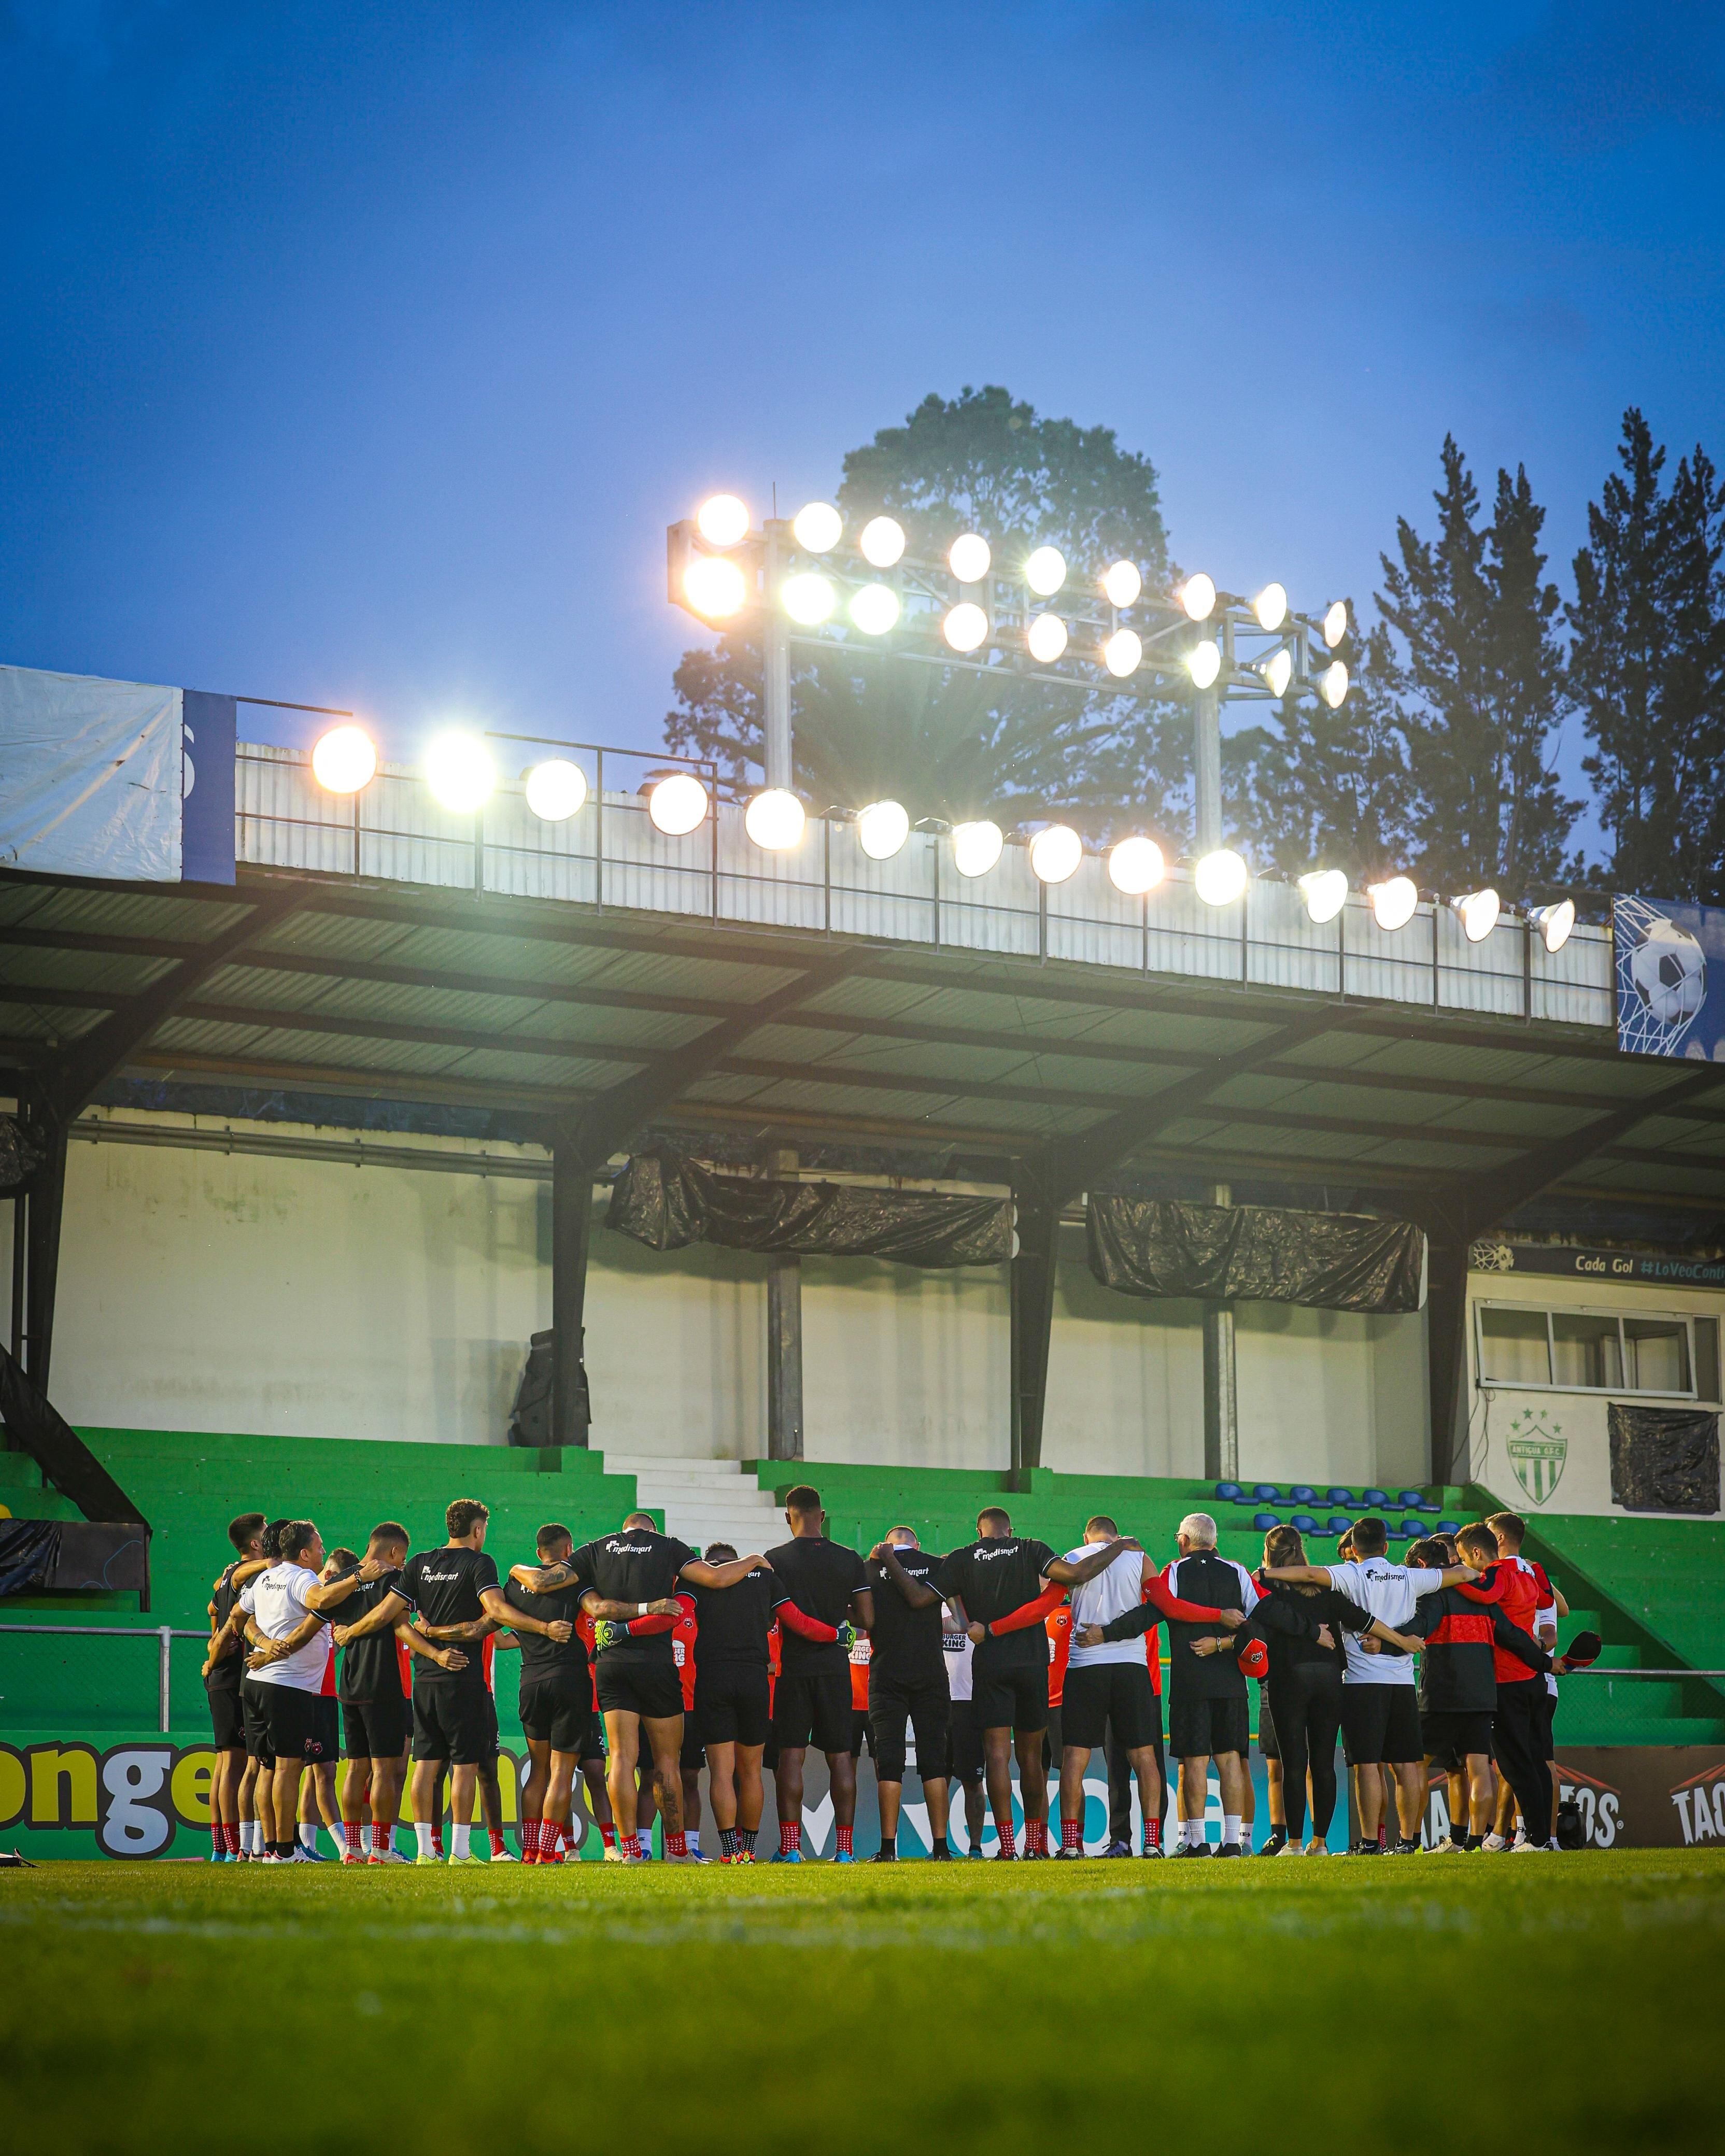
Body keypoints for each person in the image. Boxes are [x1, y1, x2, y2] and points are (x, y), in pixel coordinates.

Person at [328, 1498, 573, 1864]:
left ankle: (426, 1851)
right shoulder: (479, 1563)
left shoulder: (421, 1563)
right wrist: (542, 1627)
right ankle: (459, 1850)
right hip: (462, 1675)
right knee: (464, 1765)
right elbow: (498, 1610)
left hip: (425, 1679)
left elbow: (396, 1621)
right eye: (484, 1530)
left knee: (425, 1766)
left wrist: (427, 1650)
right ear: (477, 1530)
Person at [513, 1508, 761, 1863]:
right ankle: (677, 1850)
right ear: (652, 1531)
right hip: (656, 1666)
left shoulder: (596, 1549)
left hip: (611, 1665)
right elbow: (717, 1578)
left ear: (624, 1531)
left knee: (623, 1759)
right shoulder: (667, 1547)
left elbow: (544, 1583)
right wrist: (754, 1559)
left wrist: (514, 1569)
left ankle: (630, 1850)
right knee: (666, 1763)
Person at [1262, 1514, 1477, 1854]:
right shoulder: (1409, 1576)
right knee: (1406, 1764)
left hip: (1362, 1682)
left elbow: (1307, 1574)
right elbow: (1465, 1573)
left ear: (1354, 1548)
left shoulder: (1350, 1573)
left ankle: (1369, 1842)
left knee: (1367, 1765)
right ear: (1387, 1546)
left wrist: (1266, 1573)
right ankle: (1408, 1842)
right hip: (1403, 1682)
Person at [938, 1507, 1140, 1860]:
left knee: (997, 1756)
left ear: (979, 1530)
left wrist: (965, 1618)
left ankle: (1006, 1848)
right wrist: (1118, 1546)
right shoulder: (1030, 1548)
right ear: (1010, 1529)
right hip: (1032, 1664)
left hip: (990, 1663)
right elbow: (1076, 1574)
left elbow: (939, 1592)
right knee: (1032, 1758)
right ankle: (1035, 1845)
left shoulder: (963, 1557)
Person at [1038, 1516, 1237, 1857]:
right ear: (1118, 1535)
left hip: (1085, 1665)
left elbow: (1043, 1601)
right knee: (1145, 1758)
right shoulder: (1139, 1557)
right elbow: (1166, 1606)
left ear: (1086, 1535)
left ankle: (1071, 1844)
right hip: (1132, 1665)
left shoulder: (1072, 1557)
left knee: (1075, 1758)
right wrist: (1219, 1616)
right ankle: (1151, 1842)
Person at [1401, 1529, 1550, 1851]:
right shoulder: (1484, 1598)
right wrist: (1546, 1663)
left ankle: (1409, 1842)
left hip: (1441, 1695)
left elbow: (1420, 1627)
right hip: (1483, 1694)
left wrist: (1384, 1636)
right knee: (1479, 1767)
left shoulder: (1434, 1596)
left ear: (1424, 1567)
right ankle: (1472, 1843)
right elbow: (1514, 1636)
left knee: (1414, 1765)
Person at [763, 1486, 872, 1863]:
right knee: (841, 1757)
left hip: (794, 1669)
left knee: (789, 1758)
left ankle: (791, 1849)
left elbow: (771, 1618)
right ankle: (845, 1851)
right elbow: (867, 1619)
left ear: (787, 1516)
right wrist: (839, 1617)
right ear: (822, 1516)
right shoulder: (848, 1559)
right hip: (834, 1669)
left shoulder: (774, 1560)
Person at [503, 1523, 598, 1866]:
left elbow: (496, 1627)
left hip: (530, 1681)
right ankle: (546, 1850)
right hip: (569, 1679)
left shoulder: (516, 1582)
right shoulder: (576, 1579)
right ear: (569, 1549)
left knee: (538, 1771)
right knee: (561, 1773)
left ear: (537, 1551)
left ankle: (529, 1850)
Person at [864, 1527, 953, 1861]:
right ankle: (941, 1848)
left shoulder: (870, 1567)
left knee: (889, 1761)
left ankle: (888, 1849)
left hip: (887, 1674)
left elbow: (862, 1620)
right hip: (930, 1673)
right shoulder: (935, 1565)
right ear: (917, 1544)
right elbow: (956, 1617)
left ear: (888, 1542)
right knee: (934, 1759)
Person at [687, 1540, 775, 1863]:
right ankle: (748, 1852)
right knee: (752, 1771)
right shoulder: (762, 1577)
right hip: (754, 1677)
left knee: (722, 1772)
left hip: (713, 1677)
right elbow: (773, 1621)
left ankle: (729, 1852)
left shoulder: (697, 1580)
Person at [201, 1512, 267, 1861]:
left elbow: (212, 1605)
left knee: (225, 1763)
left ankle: (221, 1847)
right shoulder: (246, 1573)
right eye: (267, 1532)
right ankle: (231, 1847)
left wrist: (214, 1642)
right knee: (235, 1764)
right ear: (256, 1543)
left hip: (220, 1675)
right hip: (230, 1677)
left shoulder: (225, 1577)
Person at [942, 1596, 987, 1856]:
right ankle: (940, 1845)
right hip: (938, 1702)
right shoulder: (932, 1608)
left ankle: (976, 1848)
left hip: (970, 1703)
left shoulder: (977, 1609)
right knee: (938, 1779)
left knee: (973, 1781)